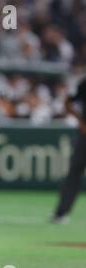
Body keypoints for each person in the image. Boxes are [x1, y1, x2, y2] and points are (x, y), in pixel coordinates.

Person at [51, 76, 86, 224]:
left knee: (74, 172)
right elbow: (68, 102)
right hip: (85, 137)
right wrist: (81, 122)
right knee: (74, 171)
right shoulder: (84, 83)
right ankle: (61, 213)